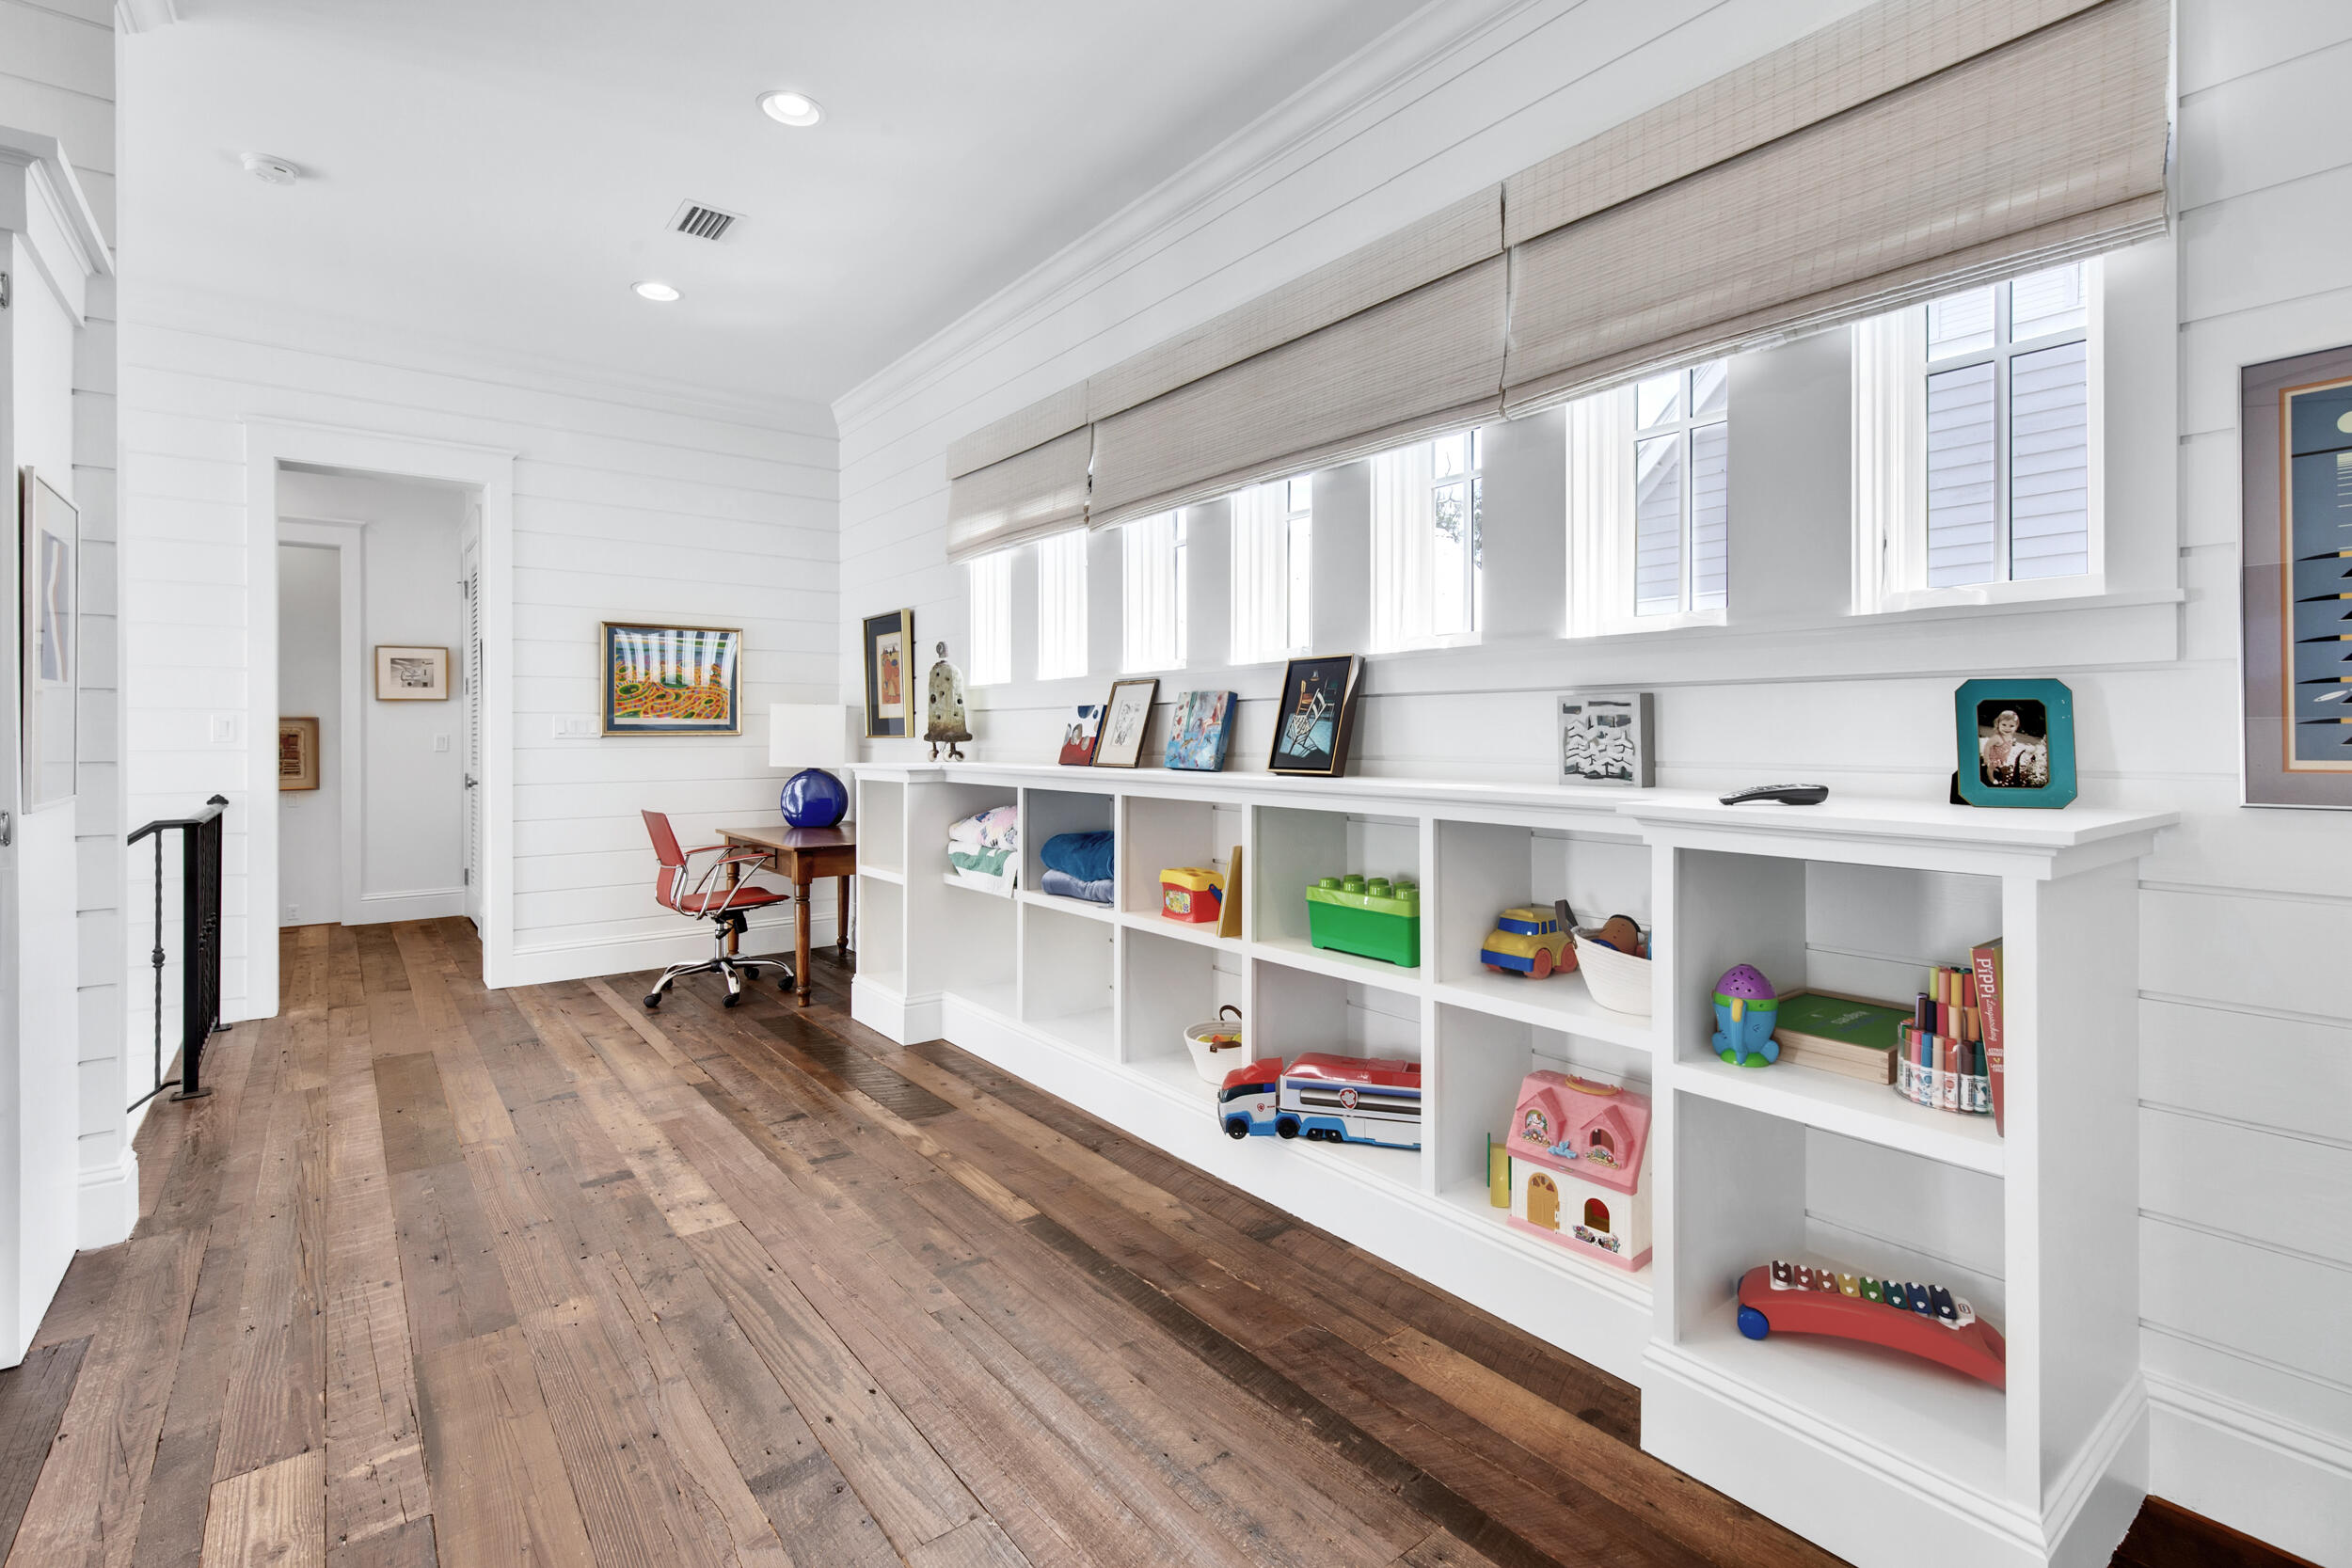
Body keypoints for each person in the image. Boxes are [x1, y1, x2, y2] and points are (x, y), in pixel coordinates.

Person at [1979, 707, 2047, 787]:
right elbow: (1987, 746)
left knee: (2000, 770)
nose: (2007, 728)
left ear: (2016, 726)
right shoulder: (1996, 737)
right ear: (1998, 724)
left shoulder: (2009, 737)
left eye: (2011, 726)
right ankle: (1991, 778)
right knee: (1991, 768)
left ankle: (1998, 776)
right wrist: (1987, 759)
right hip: (1993, 757)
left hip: (2001, 758)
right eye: (2004, 725)